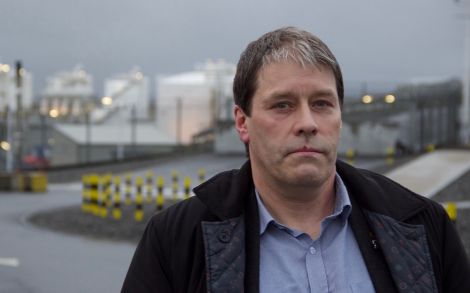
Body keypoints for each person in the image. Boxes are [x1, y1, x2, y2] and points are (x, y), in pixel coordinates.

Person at [121, 27, 470, 293]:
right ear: (243, 122)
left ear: (339, 115)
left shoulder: (422, 228)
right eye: (282, 105)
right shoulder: (176, 240)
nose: (307, 123)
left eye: (322, 103)